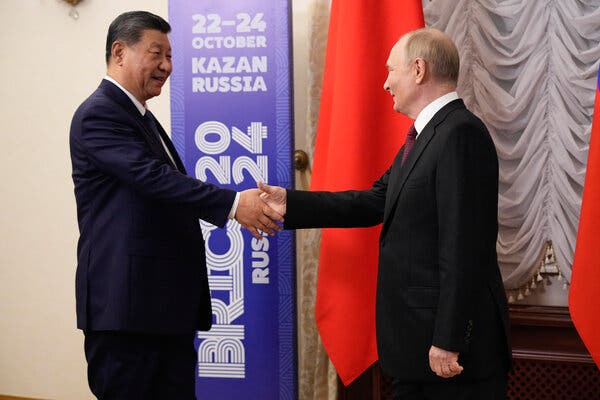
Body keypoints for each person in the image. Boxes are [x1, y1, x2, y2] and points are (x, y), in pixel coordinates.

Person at [259, 28, 511, 399]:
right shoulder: (428, 136)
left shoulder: (459, 134)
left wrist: (448, 337)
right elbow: (374, 200)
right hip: (417, 347)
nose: (385, 83)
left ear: (419, 69)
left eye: (392, 70)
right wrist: (291, 203)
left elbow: (464, 247)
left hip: (449, 356)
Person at [69, 10, 282, 399]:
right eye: (157, 54)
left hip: (162, 310)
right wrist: (234, 204)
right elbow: (154, 180)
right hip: (127, 313)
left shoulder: (141, 117)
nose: (167, 66)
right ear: (120, 52)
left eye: (170, 57)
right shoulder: (99, 114)